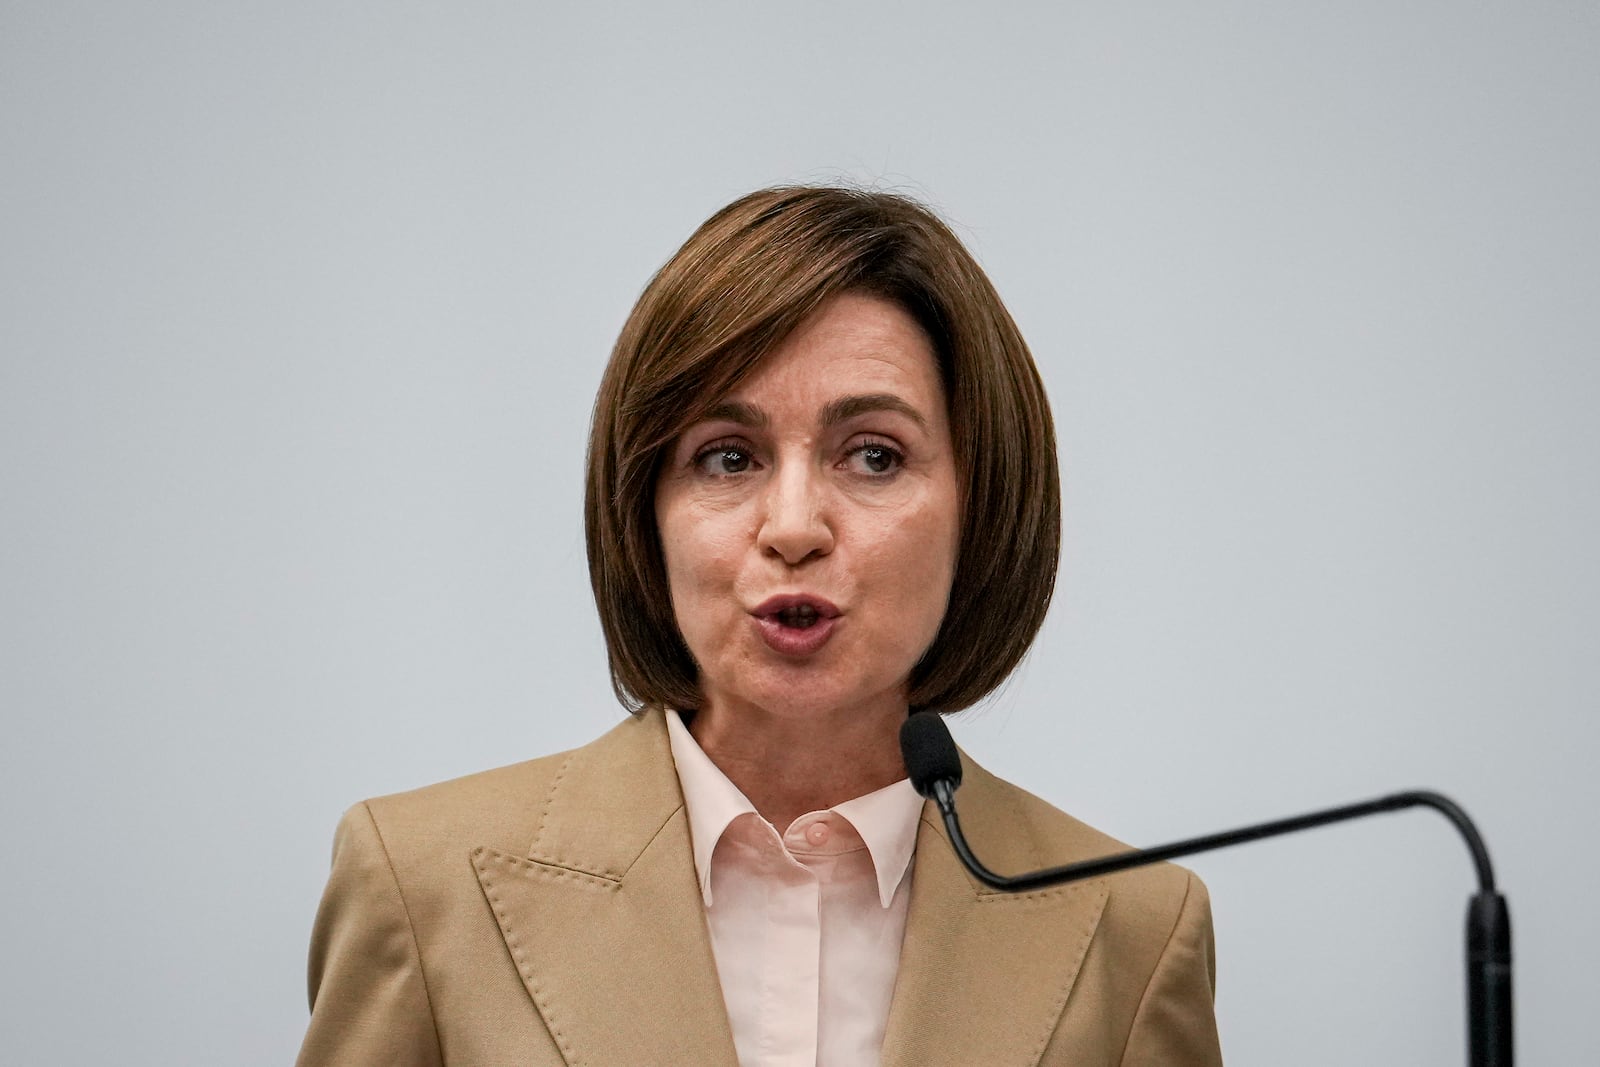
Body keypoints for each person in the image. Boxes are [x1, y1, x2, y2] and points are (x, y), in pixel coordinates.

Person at [296, 186, 1223, 1066]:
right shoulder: (422, 886)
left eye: (873, 454)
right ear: (643, 512)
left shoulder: (1132, 928)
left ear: (978, 509)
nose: (791, 527)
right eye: (727, 456)